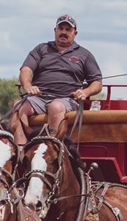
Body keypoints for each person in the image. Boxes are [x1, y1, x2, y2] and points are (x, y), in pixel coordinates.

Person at [10, 13, 102, 147]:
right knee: (18, 106)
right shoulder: (41, 49)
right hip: (39, 98)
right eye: (61, 29)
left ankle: (51, 151)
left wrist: (86, 92)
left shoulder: (84, 54)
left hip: (66, 99)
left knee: (56, 107)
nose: (64, 32)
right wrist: (28, 86)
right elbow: (26, 70)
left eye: (68, 29)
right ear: (55, 31)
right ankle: (21, 151)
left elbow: (97, 83)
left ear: (75, 33)